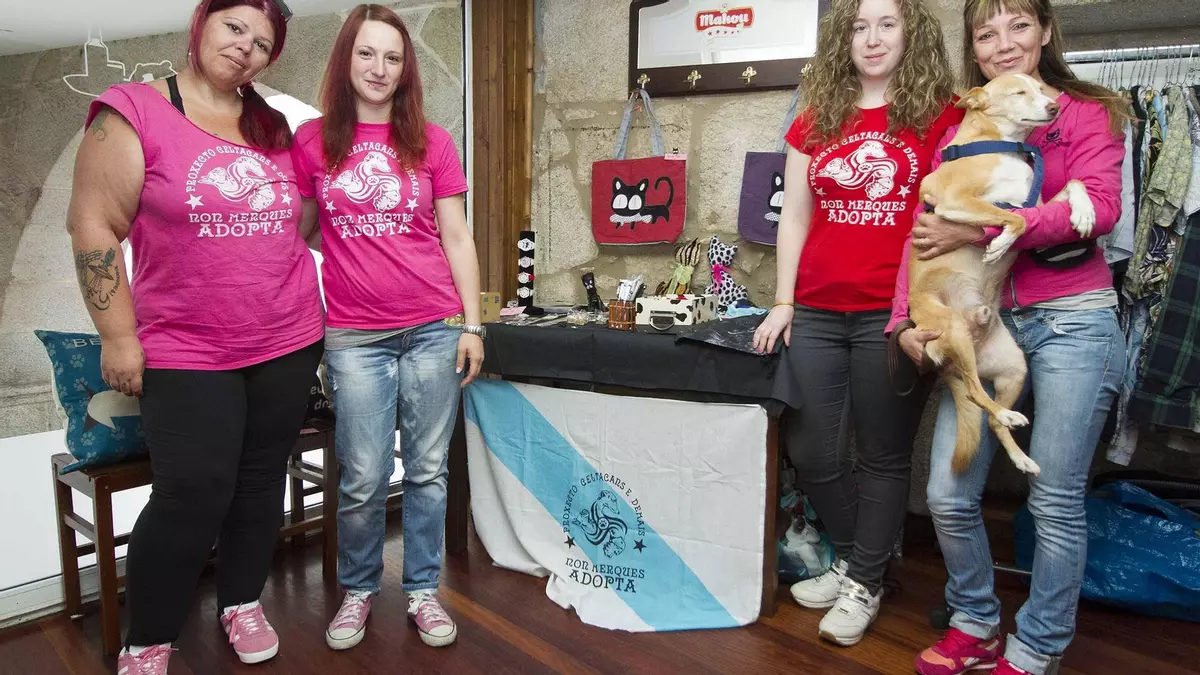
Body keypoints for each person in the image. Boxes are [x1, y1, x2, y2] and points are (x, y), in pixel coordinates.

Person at [66, 0, 324, 672]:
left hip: (289, 336)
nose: (245, 48)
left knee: (261, 481)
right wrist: (118, 336)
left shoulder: (272, 126)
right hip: (185, 347)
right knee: (192, 492)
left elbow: (297, 223)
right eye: (235, 27)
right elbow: (93, 224)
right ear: (202, 22)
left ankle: (241, 601)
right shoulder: (133, 111)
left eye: (262, 43)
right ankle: (148, 638)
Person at [892, 1, 1129, 673]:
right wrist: (905, 320)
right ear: (974, 48)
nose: (1003, 44)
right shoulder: (961, 131)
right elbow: (923, 230)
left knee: (1053, 498)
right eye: (986, 32)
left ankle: (1037, 646)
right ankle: (974, 620)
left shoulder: (1086, 114)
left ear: (1046, 31)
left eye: (1018, 25)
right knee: (946, 494)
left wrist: (980, 229)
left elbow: (1099, 210)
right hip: (980, 315)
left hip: (1071, 318)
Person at [751, 0, 960, 648]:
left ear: (910, 33)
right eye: (860, 26)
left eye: (887, 24)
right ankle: (860, 560)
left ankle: (863, 580)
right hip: (816, 308)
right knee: (812, 450)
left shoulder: (943, 115)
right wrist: (783, 300)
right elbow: (793, 217)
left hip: (893, 314)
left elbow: (956, 213)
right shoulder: (816, 118)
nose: (872, 38)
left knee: (881, 455)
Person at [289, 3, 483, 652]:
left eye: (392, 57)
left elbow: (456, 236)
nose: (379, 68)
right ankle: (359, 589)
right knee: (364, 476)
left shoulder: (433, 141)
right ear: (346, 59)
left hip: (433, 326)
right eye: (367, 53)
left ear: (406, 69)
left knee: (427, 470)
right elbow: (304, 228)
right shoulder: (313, 142)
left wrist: (474, 324)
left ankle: (423, 589)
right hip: (352, 336)